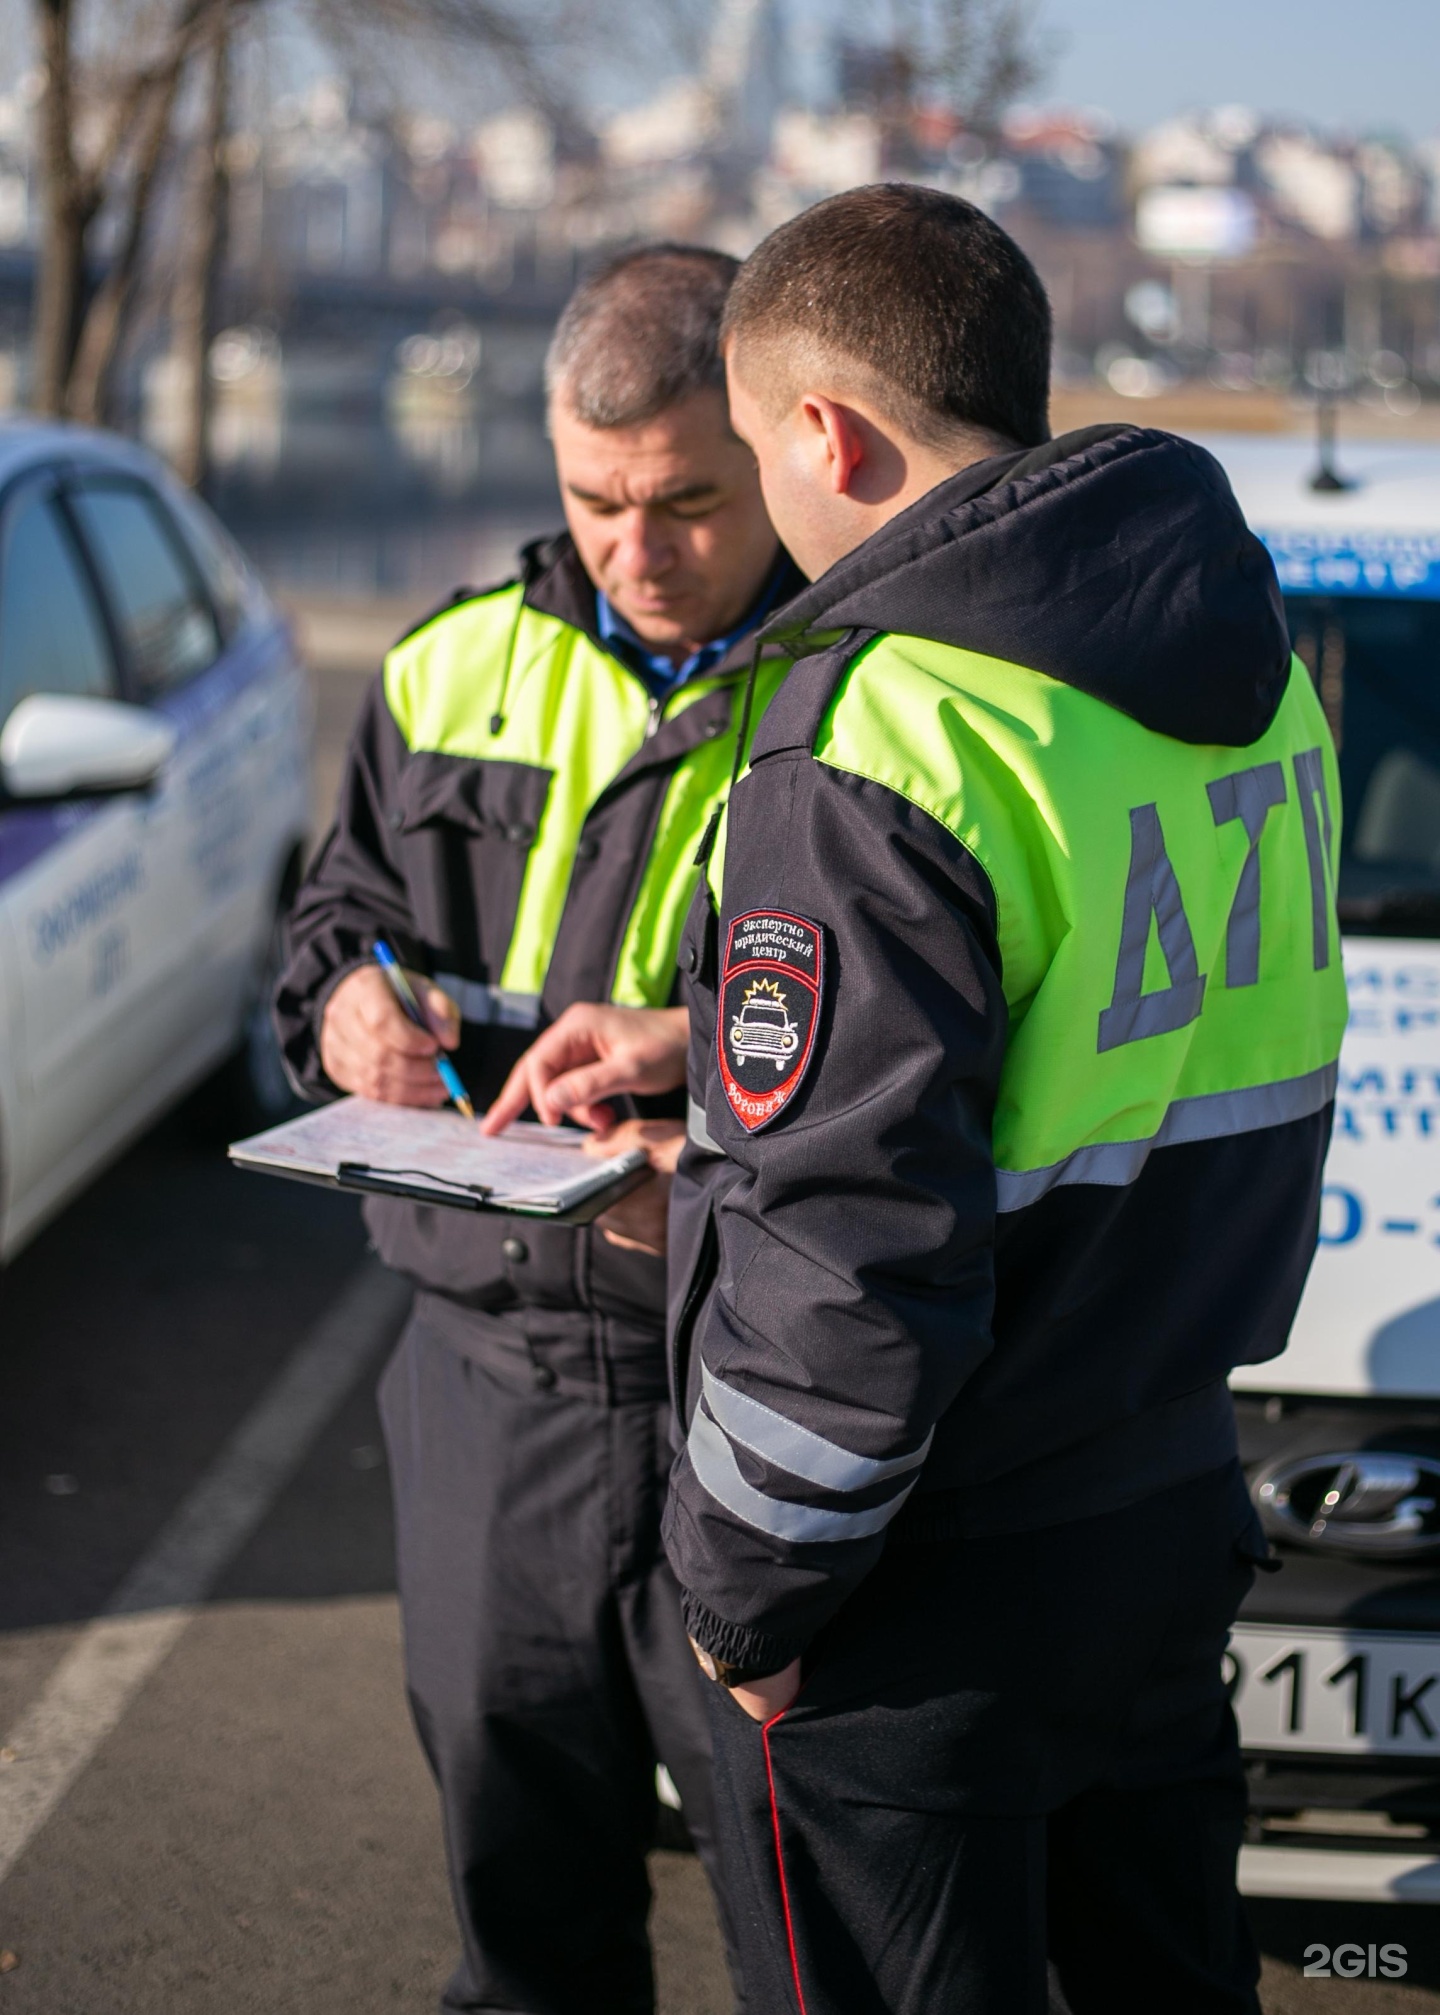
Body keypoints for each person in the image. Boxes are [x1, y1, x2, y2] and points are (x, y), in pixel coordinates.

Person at [486, 187, 1349, 2014]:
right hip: (1165, 1502)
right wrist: (700, 1055)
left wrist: (744, 1597)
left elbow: (851, 1252)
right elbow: (1098, 1053)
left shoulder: (875, 731)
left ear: (824, 433)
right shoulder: (1248, 667)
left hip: (930, 1582)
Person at [274, 243, 802, 2015]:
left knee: (808, 1901)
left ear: (775, 453)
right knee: (520, 1872)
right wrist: (343, 1004)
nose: (637, 552)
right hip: (487, 1374)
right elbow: (331, 922)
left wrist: (692, 1086)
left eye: (686, 504)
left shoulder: (870, 690)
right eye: (595, 504)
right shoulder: (444, 672)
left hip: (748, 1379)